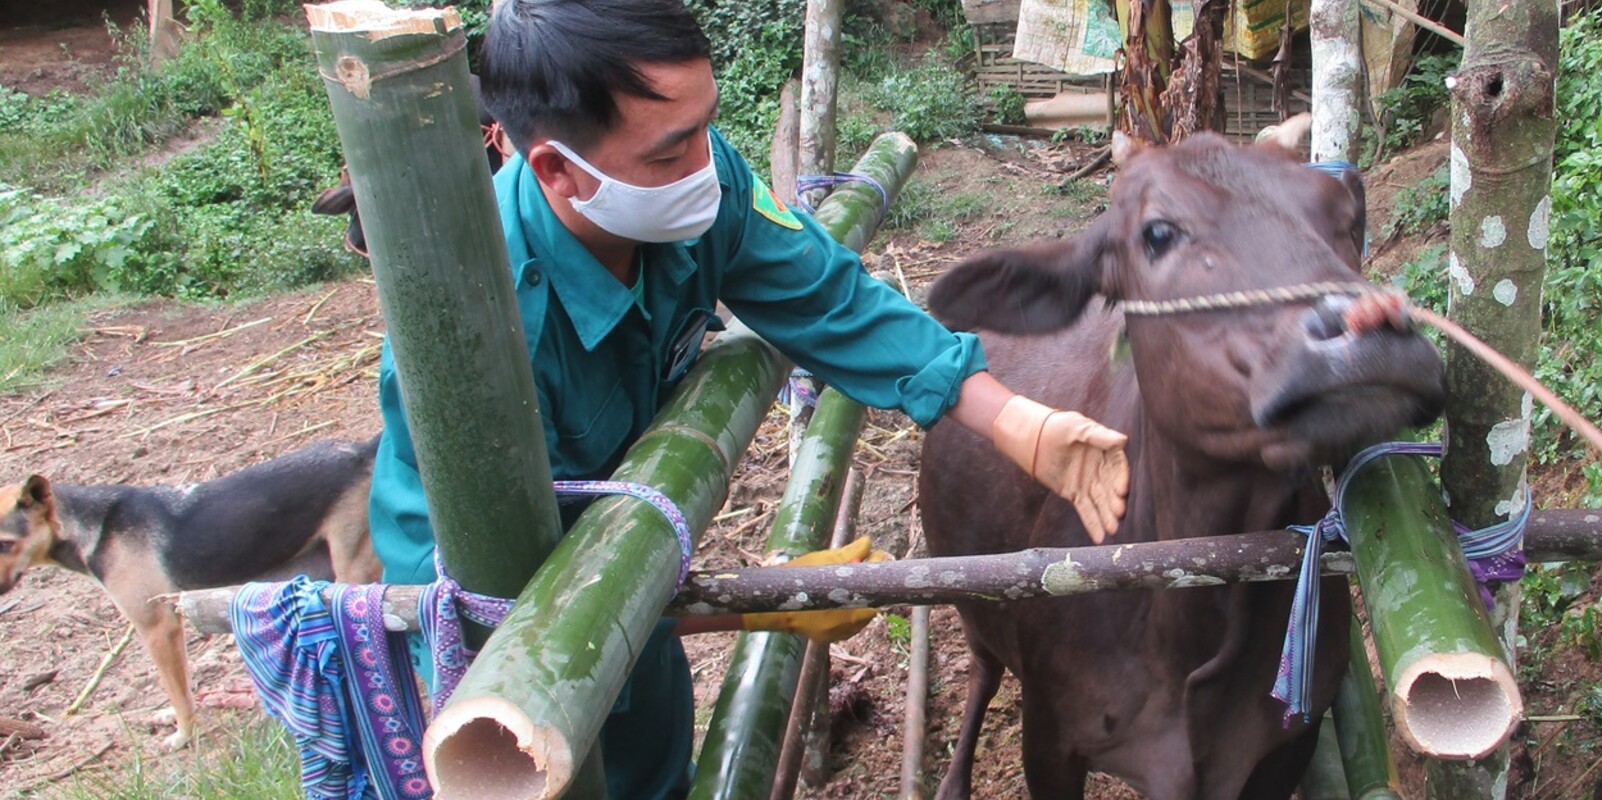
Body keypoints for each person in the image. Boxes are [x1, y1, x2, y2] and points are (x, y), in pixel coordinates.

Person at [364, 0, 1132, 796]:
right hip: (508, 648)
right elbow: (519, 611)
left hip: (631, 531)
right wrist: (757, 606)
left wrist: (1015, 420)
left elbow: (831, 301)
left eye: (707, 127)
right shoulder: (486, 333)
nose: (707, 164)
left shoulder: (694, 181)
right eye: (670, 152)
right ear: (557, 169)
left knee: (657, 758)